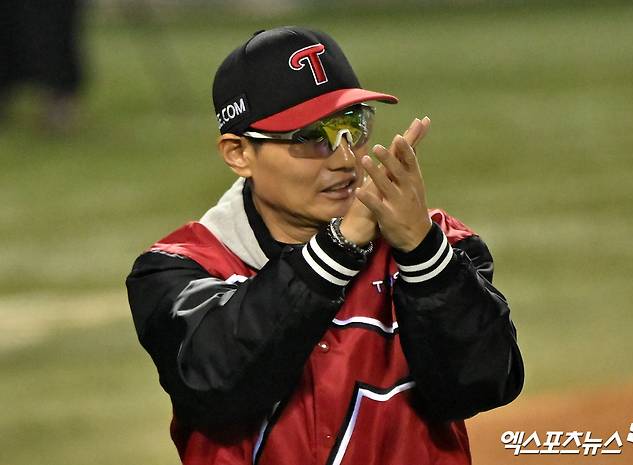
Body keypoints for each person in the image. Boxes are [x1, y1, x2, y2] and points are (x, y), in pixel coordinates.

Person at [126, 26, 524, 465]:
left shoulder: (442, 245)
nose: (344, 157)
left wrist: (422, 253)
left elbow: (482, 384)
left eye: (352, 127)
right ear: (238, 153)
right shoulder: (180, 270)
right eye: (309, 137)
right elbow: (218, 390)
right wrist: (338, 248)